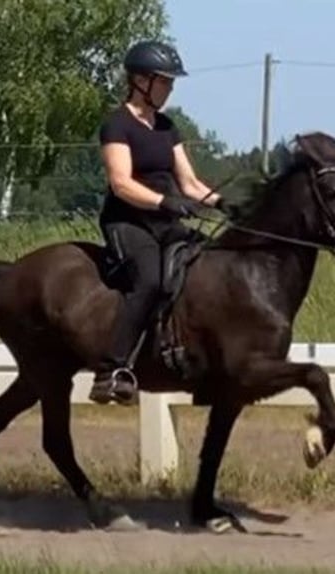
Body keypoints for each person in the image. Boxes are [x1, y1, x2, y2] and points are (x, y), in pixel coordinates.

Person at [89, 40, 232, 405]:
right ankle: (112, 369)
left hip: (166, 222)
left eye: (171, 82)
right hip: (129, 222)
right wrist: (165, 202)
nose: (170, 88)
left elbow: (189, 182)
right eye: (165, 81)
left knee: (207, 267)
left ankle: (184, 351)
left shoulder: (167, 126)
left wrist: (222, 204)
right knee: (150, 280)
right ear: (140, 81)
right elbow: (121, 184)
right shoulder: (117, 124)